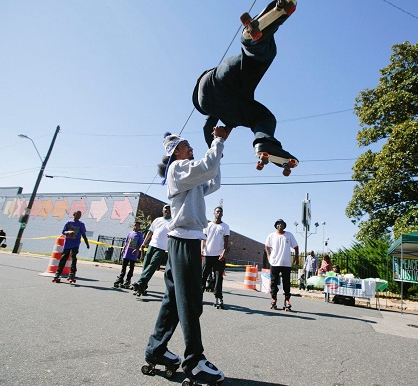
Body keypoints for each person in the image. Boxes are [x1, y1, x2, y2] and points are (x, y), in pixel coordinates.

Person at [143, 128, 230, 384]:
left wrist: (217, 155)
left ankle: (156, 349)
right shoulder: (178, 168)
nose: (191, 150)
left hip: (185, 241)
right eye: (187, 146)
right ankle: (194, 361)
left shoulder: (188, 176)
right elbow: (206, 167)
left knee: (173, 301)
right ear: (175, 152)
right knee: (191, 301)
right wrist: (218, 141)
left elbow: (212, 180)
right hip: (184, 240)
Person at [192, 0, 297, 166]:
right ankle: (250, 39)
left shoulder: (223, 114)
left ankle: (265, 143)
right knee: (253, 60)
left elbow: (207, 127)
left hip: (206, 98)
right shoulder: (229, 115)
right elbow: (207, 128)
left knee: (264, 117)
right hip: (216, 78)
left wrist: (214, 148)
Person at [132, 205, 172, 296]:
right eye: (166, 209)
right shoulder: (157, 220)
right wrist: (144, 243)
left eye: (169, 210)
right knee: (146, 265)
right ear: (162, 211)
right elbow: (150, 232)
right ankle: (142, 287)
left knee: (152, 265)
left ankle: (140, 283)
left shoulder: (172, 222)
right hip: (152, 245)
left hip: (161, 248)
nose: (167, 211)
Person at [265, 219, 299, 311]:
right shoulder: (271, 236)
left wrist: (296, 258)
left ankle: (287, 300)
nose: (280, 225)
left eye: (282, 224)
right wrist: (269, 256)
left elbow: (296, 247)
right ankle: (273, 299)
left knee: (286, 283)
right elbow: (267, 246)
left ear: (284, 226)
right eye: (278, 224)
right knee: (273, 282)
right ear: (276, 226)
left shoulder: (289, 235)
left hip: (286, 264)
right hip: (275, 263)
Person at [201, 206, 230, 309]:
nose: (219, 213)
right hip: (208, 255)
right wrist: (202, 249)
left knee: (218, 278)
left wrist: (224, 253)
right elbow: (204, 239)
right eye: (217, 211)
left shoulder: (225, 227)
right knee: (203, 276)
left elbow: (226, 242)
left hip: (219, 257)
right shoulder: (208, 225)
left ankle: (218, 298)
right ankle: (198, 296)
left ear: (222, 214)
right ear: (214, 213)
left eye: (220, 212)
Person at [53, 210, 90, 283]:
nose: (79, 216)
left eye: (80, 215)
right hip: (67, 243)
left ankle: (72, 273)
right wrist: (68, 232)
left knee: (73, 257)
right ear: (74, 214)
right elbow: (63, 232)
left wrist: (87, 243)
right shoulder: (68, 223)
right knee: (63, 258)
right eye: (77, 214)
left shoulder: (81, 224)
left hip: (75, 244)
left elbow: (83, 234)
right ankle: (57, 274)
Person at [114, 222, 144, 289]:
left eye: (137, 226)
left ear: (139, 227)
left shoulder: (139, 235)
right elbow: (126, 242)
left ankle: (128, 280)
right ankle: (121, 278)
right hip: (127, 252)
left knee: (131, 267)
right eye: (135, 225)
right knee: (124, 266)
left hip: (133, 253)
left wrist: (136, 250)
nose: (135, 227)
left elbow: (140, 244)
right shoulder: (130, 233)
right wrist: (123, 249)